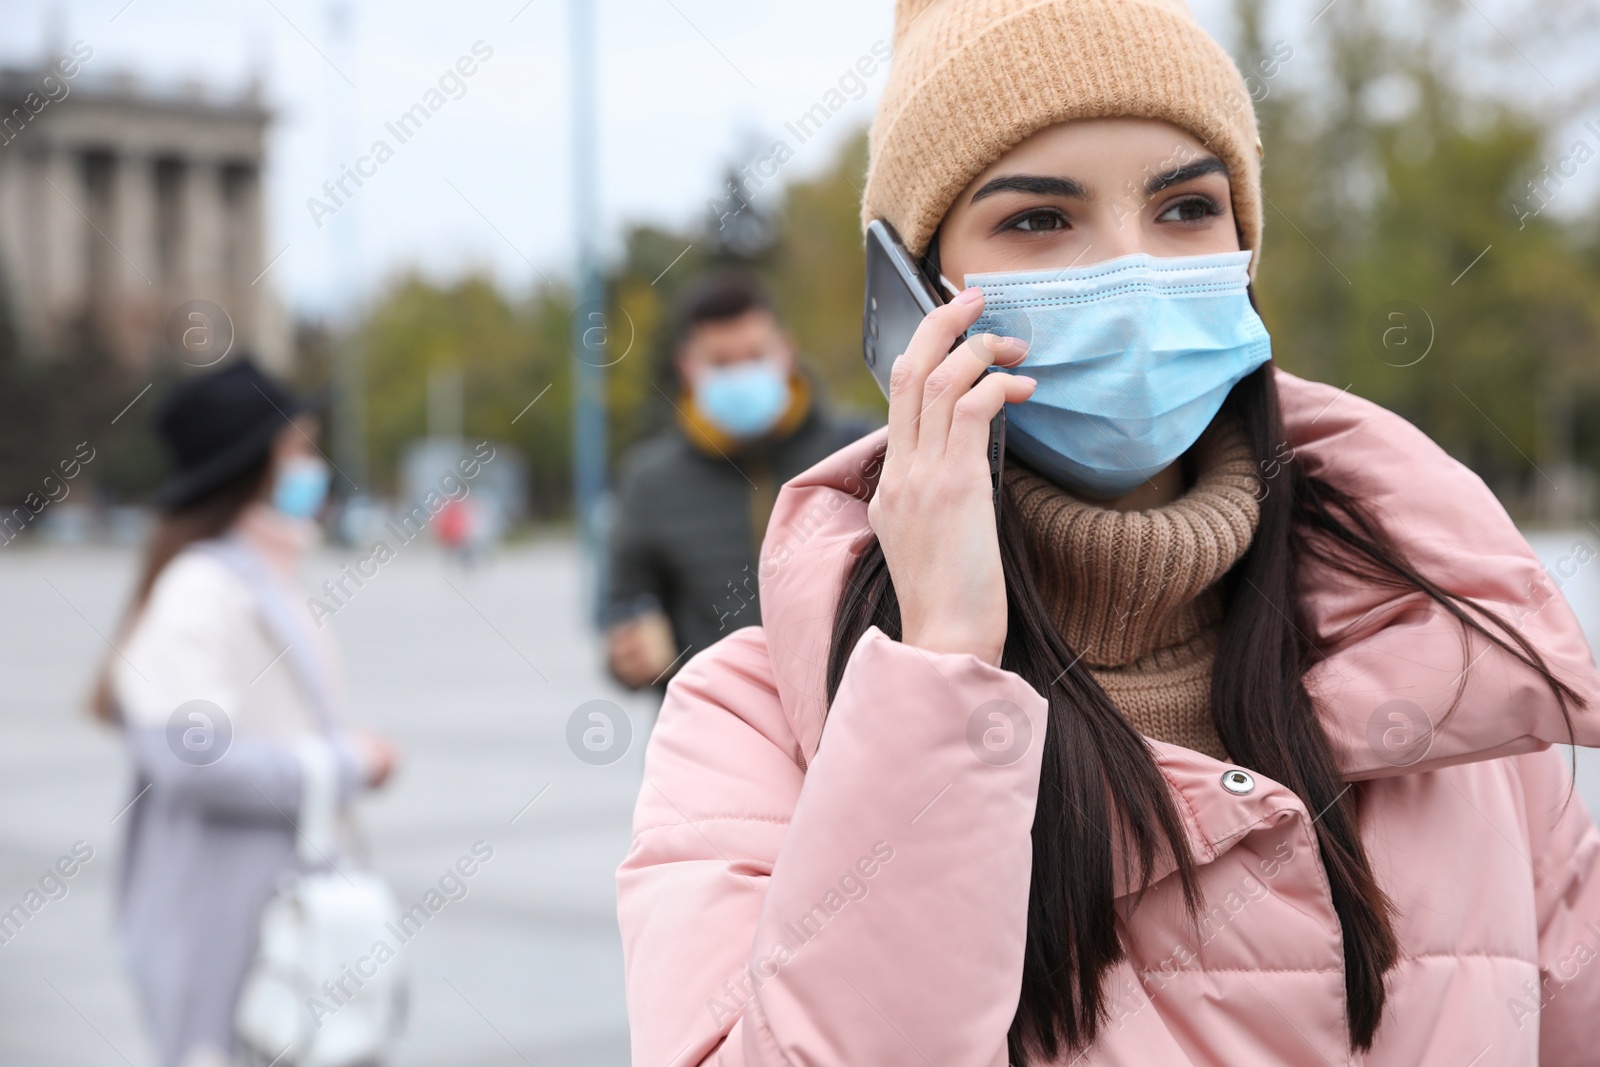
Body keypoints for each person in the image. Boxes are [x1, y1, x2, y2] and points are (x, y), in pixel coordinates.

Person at [616, 2, 1600, 1064]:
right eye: (1039, 219)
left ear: (1243, 252)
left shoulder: (1447, 650)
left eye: (1185, 206)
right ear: (913, 298)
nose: (1133, 269)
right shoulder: (752, 725)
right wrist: (940, 665)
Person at [92, 359, 399, 1067]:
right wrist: (346, 763)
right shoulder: (204, 586)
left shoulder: (264, 574)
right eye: (301, 448)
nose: (314, 467)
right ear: (256, 465)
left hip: (278, 928)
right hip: (222, 934)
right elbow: (187, 758)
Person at [604, 272, 872, 691]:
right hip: (712, 732)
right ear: (687, 366)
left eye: (753, 355)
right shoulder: (651, 481)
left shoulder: (859, 450)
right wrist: (630, 650)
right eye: (721, 362)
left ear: (785, 351)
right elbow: (620, 607)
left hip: (849, 720)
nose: (740, 373)